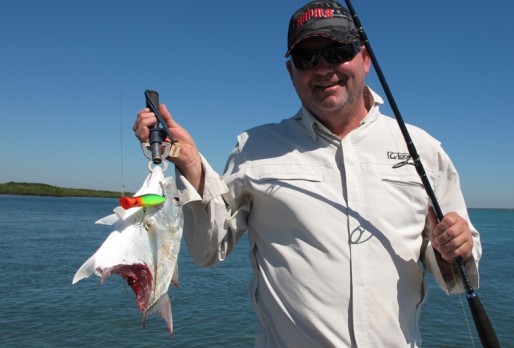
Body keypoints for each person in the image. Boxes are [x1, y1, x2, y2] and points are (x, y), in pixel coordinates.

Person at [133, 1, 482, 346]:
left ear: (365, 59)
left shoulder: (423, 150)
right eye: (306, 58)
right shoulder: (254, 147)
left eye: (337, 51)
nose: (323, 68)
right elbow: (208, 250)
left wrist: (457, 248)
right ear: (290, 72)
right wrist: (190, 163)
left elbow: (453, 267)